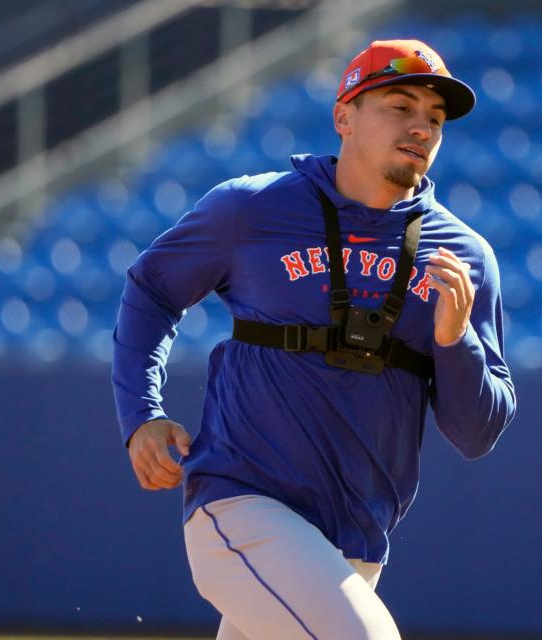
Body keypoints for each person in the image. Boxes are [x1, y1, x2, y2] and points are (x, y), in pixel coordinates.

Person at [112, 39, 516, 640]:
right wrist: (142, 413)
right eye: (399, 106)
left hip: (356, 543)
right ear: (343, 116)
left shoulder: (463, 257)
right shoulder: (251, 209)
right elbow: (151, 291)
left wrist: (456, 341)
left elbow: (476, 432)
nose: (420, 127)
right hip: (242, 505)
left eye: (434, 118)